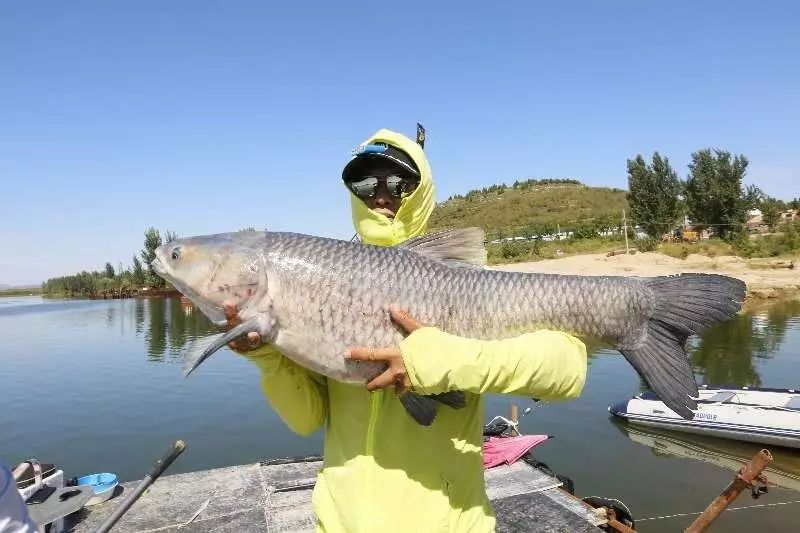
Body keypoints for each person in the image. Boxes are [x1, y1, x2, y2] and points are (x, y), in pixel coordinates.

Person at [225, 126, 588, 532]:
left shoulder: (465, 283)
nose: (381, 195)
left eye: (400, 182)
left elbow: (567, 370)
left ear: (422, 190)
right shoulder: (318, 288)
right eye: (364, 183)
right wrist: (266, 357)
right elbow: (306, 420)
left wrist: (434, 359)